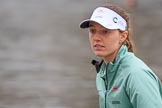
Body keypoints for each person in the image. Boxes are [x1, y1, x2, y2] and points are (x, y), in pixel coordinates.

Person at [79, 3, 162, 108]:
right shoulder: (102, 73)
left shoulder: (136, 75)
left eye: (105, 31)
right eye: (93, 31)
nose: (96, 38)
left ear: (123, 36)